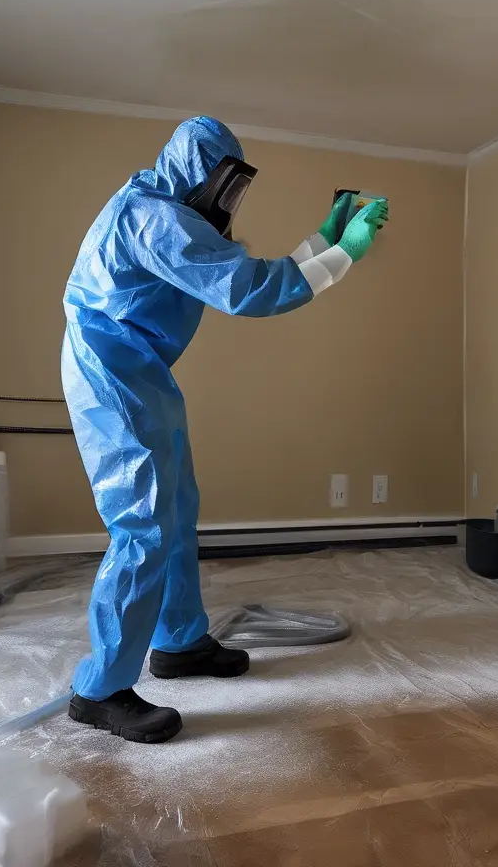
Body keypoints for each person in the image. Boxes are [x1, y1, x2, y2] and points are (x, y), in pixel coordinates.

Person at [61, 116, 388, 743]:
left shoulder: (161, 209)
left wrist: (322, 239)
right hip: (113, 375)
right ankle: (100, 690)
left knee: (177, 506)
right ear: (195, 174)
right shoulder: (152, 219)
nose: (229, 198)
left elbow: (242, 270)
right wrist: (343, 254)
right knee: (144, 523)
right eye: (223, 183)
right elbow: (248, 290)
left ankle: (179, 642)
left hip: (139, 369)